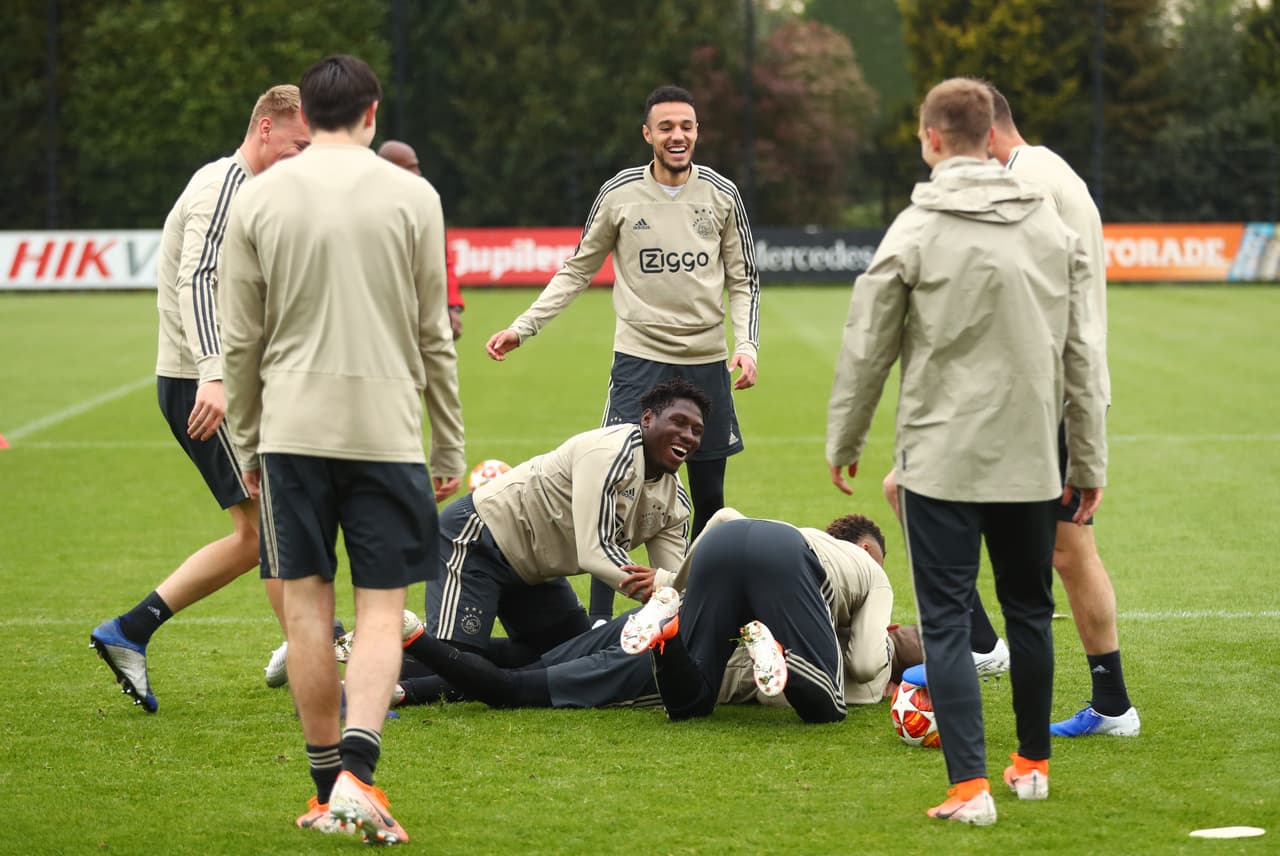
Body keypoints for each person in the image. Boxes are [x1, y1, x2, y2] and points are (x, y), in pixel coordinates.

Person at [825, 78, 1108, 825]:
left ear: (929, 139)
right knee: (1029, 610)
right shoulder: (1050, 229)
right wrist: (1089, 460)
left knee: (947, 623)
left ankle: (969, 789)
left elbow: (866, 346)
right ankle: (1033, 766)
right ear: (991, 137)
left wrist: (845, 439)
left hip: (941, 461)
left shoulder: (915, 230)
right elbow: (1083, 352)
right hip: (1029, 456)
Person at [220, 54, 466, 844]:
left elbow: (241, 342)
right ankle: (361, 770)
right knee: (383, 608)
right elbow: (436, 332)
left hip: (291, 431)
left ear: (311, 114)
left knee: (307, 611)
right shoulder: (414, 195)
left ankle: (328, 785)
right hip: (387, 430)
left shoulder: (259, 198)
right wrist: (449, 440)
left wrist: (249, 443)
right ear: (371, 112)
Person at [877, 85, 1139, 739]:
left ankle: (1094, 697)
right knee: (918, 493)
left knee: (1067, 549)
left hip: (1042, 396)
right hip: (1045, 392)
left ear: (986, 135)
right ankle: (997, 650)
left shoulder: (1033, 184)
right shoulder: (1048, 174)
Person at [483, 85, 760, 627]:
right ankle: (603, 622)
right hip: (639, 360)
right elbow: (578, 268)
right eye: (666, 127)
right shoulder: (619, 195)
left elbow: (744, 279)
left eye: (686, 126)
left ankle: (695, 614)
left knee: (708, 495)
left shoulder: (723, 195)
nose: (677, 136)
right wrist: (525, 327)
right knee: (614, 489)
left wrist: (746, 346)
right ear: (647, 135)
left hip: (706, 362)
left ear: (697, 132)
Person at [90, 84, 310, 712]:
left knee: (255, 535)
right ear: (265, 128)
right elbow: (199, 284)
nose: (303, 157)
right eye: (297, 144)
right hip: (202, 384)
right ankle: (317, 665)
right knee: (275, 527)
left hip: (223, 380)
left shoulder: (263, 191)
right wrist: (215, 374)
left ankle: (129, 630)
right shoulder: (225, 185)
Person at [396, 509, 921, 714]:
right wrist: (889, 682)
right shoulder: (852, 597)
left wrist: (670, 582)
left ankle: (390, 671)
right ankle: (412, 644)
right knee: (515, 687)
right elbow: (859, 672)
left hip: (683, 598)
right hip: (663, 656)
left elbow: (726, 517)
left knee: (526, 664)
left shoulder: (804, 547)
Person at [425, 379, 704, 661]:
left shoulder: (676, 504)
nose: (688, 435)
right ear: (647, 419)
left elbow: (675, 582)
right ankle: (400, 646)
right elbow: (594, 553)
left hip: (535, 574)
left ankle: (444, 643)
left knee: (569, 659)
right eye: (678, 422)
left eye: (696, 431)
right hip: (479, 539)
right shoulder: (609, 453)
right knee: (453, 666)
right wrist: (659, 590)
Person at [377, 139, 466, 340]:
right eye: (410, 168)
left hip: (420, 315)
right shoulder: (366, 207)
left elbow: (442, 260)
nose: (418, 174)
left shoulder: (426, 205)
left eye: (417, 166)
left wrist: (452, 307)